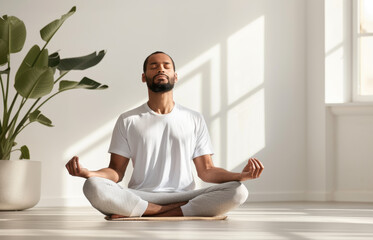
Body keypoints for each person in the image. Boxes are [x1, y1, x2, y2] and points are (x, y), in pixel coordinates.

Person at [65, 51, 264, 218]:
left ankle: (145, 214)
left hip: (184, 195)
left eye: (166, 66)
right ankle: (169, 212)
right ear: (144, 77)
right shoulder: (128, 119)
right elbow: (116, 172)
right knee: (92, 186)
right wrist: (89, 173)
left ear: (175, 76)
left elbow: (206, 171)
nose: (160, 69)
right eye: (153, 66)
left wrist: (241, 175)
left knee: (238, 191)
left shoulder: (193, 118)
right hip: (139, 195)